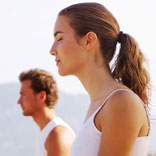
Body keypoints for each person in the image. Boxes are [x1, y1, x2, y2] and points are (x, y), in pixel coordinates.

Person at [50, 2, 151, 156]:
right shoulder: (102, 104)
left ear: (89, 40)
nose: (52, 50)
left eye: (59, 38)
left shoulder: (121, 102)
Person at [17, 69, 75, 156]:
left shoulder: (57, 135)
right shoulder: (47, 132)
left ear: (41, 96)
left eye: (23, 95)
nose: (19, 101)